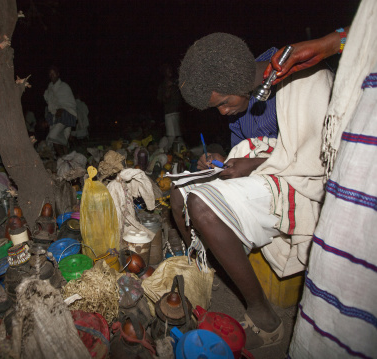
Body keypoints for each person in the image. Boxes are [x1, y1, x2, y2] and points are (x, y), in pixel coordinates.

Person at [171, 32, 334, 349]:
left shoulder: (307, 78)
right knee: (179, 192)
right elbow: (241, 150)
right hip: (264, 171)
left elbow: (321, 159)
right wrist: (222, 160)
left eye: (223, 103)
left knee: (202, 206)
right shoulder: (244, 93)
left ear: (238, 81)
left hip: (299, 179)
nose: (223, 112)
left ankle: (265, 318)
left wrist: (254, 163)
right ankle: (209, 265)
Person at [263, 1, 376, 357]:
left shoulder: (303, 88)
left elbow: (306, 156)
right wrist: (334, 42)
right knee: (346, 260)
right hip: (367, 120)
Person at [43, 65, 77, 157]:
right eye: (50, 74)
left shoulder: (64, 87)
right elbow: (50, 104)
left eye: (53, 74)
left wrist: (62, 108)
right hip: (55, 116)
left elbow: (69, 102)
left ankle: (66, 151)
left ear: (58, 74)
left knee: (53, 137)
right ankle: (65, 161)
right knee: (57, 141)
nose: (52, 76)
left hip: (67, 115)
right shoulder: (49, 88)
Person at [157, 63, 184, 151]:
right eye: (167, 70)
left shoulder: (176, 82)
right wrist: (168, 90)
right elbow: (162, 100)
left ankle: (180, 154)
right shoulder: (163, 86)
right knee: (171, 136)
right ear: (164, 72)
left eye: (170, 69)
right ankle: (166, 153)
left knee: (179, 137)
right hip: (169, 113)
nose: (170, 71)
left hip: (178, 112)